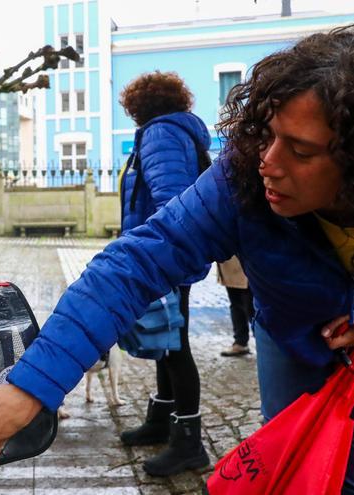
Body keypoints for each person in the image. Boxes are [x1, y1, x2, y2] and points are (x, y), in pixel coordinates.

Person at [0, 25, 354, 495]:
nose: (269, 162)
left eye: (300, 150)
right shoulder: (241, 179)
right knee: (288, 466)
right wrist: (33, 387)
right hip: (288, 326)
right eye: (269, 136)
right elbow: (132, 266)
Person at [115, 71, 213, 476]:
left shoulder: (159, 134)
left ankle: (189, 443)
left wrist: (154, 255)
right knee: (167, 339)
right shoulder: (177, 132)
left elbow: (171, 201)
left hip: (167, 255)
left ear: (141, 106)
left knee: (175, 345)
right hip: (169, 253)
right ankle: (161, 419)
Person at [216, 256, 255, 357]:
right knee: (236, 303)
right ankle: (240, 342)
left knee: (252, 306)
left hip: (249, 259)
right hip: (229, 260)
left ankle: (265, 344)